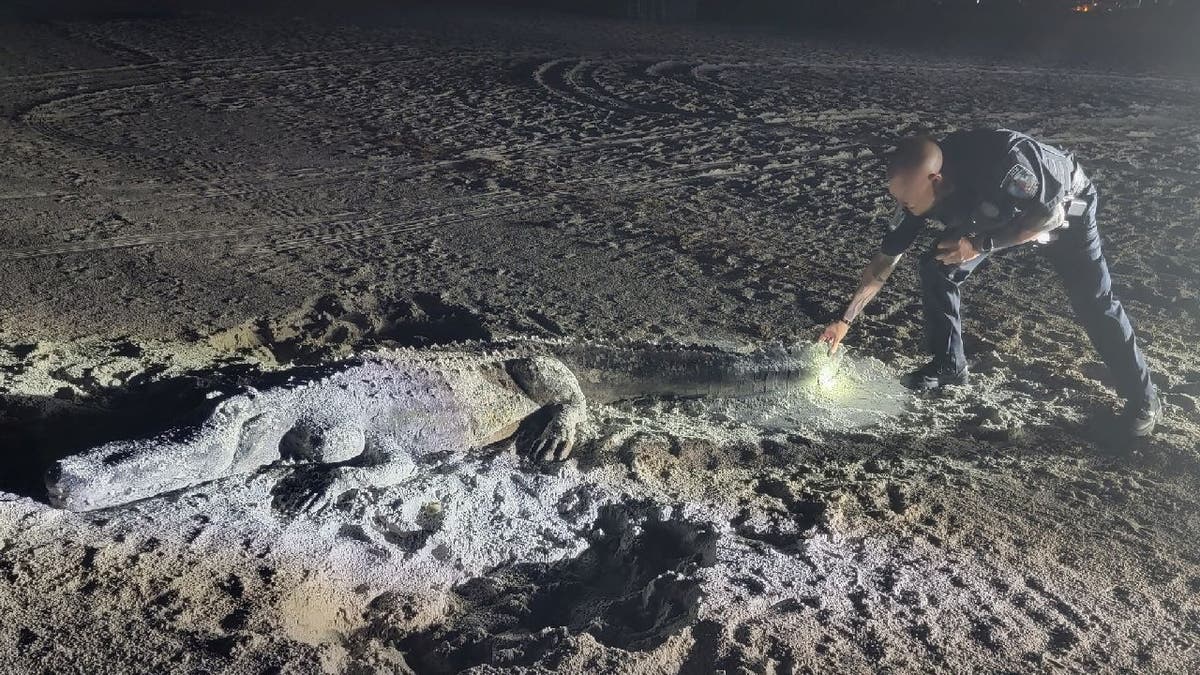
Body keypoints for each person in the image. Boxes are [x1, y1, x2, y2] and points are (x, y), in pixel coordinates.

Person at [817, 129, 1161, 437]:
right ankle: (949, 365)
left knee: (1094, 300)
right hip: (995, 215)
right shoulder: (916, 193)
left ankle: (1144, 400)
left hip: (1063, 209)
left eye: (907, 201)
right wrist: (845, 319)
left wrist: (979, 244)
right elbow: (884, 262)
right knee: (937, 267)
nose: (903, 207)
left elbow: (1049, 217)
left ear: (936, 181)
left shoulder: (1006, 166)